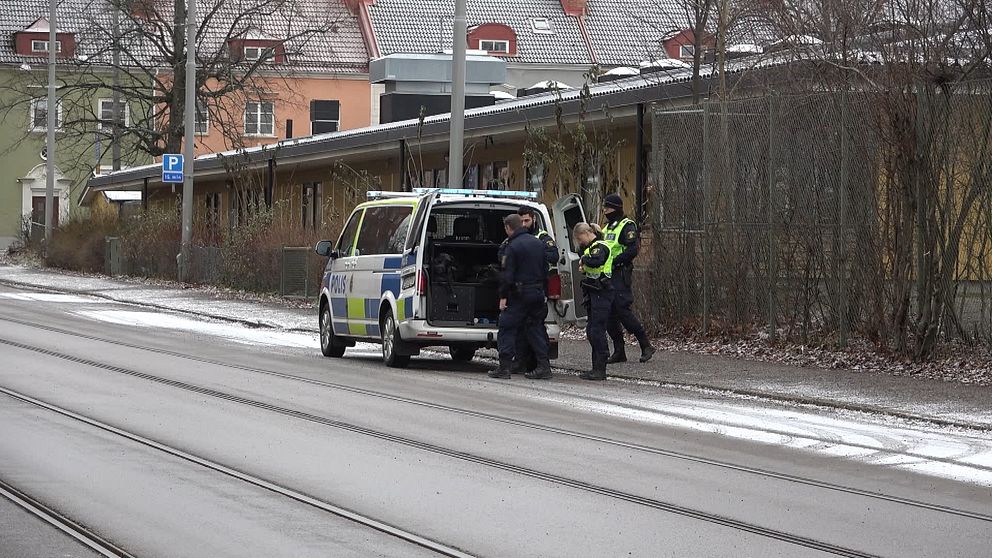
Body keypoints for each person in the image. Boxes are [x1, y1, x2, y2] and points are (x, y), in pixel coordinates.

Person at [490, 213, 552, 380]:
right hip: (537, 294)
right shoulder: (538, 243)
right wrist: (544, 293)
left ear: (508, 228)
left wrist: (503, 297)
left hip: (519, 295)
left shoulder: (512, 246)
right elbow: (546, 270)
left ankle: (504, 368)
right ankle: (544, 367)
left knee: (506, 327)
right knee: (535, 328)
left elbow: (507, 275)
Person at [601, 193, 655, 364]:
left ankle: (645, 345)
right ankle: (619, 351)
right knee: (609, 314)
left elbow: (632, 250)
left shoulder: (627, 226)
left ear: (616, 208)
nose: (605, 211)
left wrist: (614, 262)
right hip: (607, 274)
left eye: (608, 208)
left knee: (623, 310)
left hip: (620, 273)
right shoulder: (607, 228)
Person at [509, 206, 559, 374]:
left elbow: (554, 256)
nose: (524, 224)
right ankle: (520, 361)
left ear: (534, 219)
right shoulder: (514, 237)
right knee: (521, 328)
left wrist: (532, 255)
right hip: (521, 291)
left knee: (535, 328)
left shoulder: (542, 238)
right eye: (521, 221)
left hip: (536, 290)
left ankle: (543, 365)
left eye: (527, 221)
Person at [573, 222, 614, 380]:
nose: (579, 242)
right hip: (593, 292)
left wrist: (584, 259)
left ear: (585, 233)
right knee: (592, 330)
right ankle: (595, 367)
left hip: (602, 293)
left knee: (597, 330)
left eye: (579, 238)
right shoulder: (591, 248)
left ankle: (600, 369)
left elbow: (596, 261)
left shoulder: (600, 246)